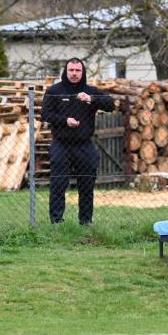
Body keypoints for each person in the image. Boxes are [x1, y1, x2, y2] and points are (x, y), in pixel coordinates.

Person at [41, 58, 115, 225]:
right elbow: (45, 114)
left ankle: (86, 222)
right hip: (61, 143)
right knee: (58, 184)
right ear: (66, 71)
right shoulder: (55, 90)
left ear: (82, 72)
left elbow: (111, 104)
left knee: (87, 184)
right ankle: (57, 222)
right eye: (71, 70)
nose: (74, 73)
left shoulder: (90, 91)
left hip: (84, 144)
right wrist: (65, 120)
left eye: (77, 70)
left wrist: (91, 99)